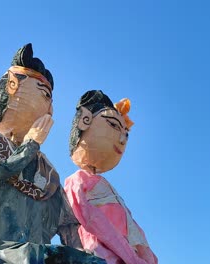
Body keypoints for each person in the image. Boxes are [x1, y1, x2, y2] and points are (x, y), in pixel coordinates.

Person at [0, 44, 92, 263]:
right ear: (12, 86)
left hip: (28, 250)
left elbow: (67, 221)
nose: (50, 110)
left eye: (51, 102)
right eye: (44, 95)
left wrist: (85, 251)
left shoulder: (47, 170)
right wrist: (29, 146)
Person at [64, 90, 158, 264]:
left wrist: (148, 256)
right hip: (103, 255)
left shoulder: (111, 190)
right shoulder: (77, 180)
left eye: (126, 134)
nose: (122, 139)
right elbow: (92, 221)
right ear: (85, 121)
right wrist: (130, 257)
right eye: (113, 126)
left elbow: (133, 229)